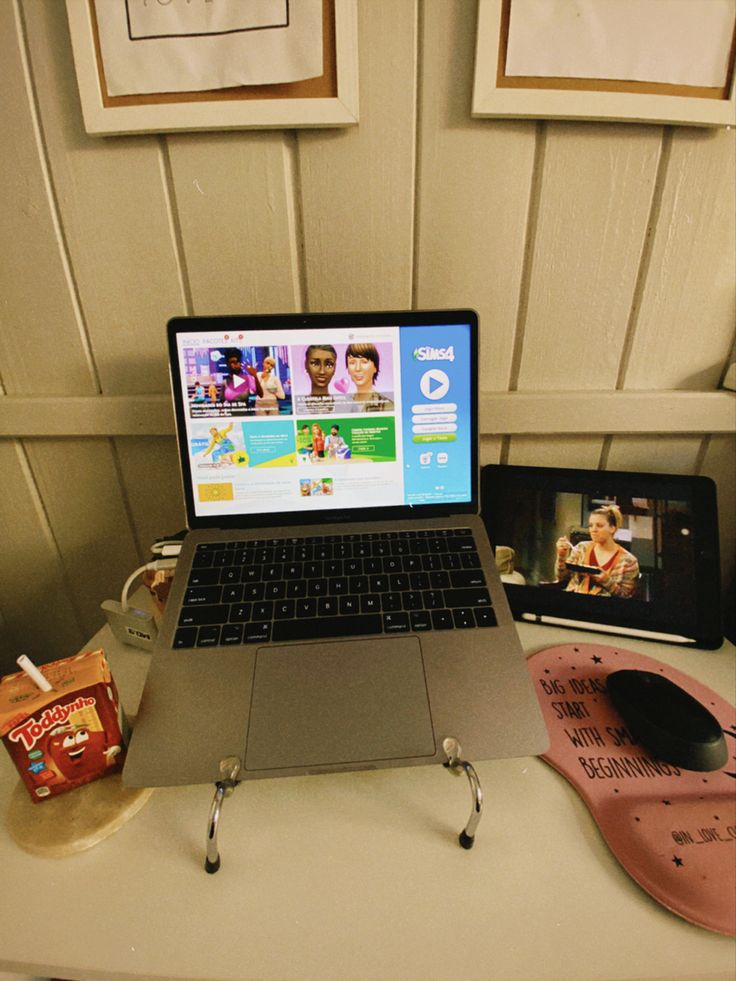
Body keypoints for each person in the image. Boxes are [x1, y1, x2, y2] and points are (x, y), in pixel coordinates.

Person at [555, 504, 639, 598]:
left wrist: (607, 581)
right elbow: (562, 578)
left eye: (599, 526)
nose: (593, 530)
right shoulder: (581, 548)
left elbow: (626, 596)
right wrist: (561, 555)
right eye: (590, 525)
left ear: (612, 528)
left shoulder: (628, 561)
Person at [345, 343, 394, 412]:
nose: (358, 368)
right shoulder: (344, 405)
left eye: (364, 362)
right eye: (352, 362)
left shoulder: (388, 407)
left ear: (375, 367)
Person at [301, 344, 337, 413]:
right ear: (306, 365)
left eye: (329, 365)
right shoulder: (296, 406)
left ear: (335, 368)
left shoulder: (346, 407)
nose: (322, 371)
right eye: (315, 363)